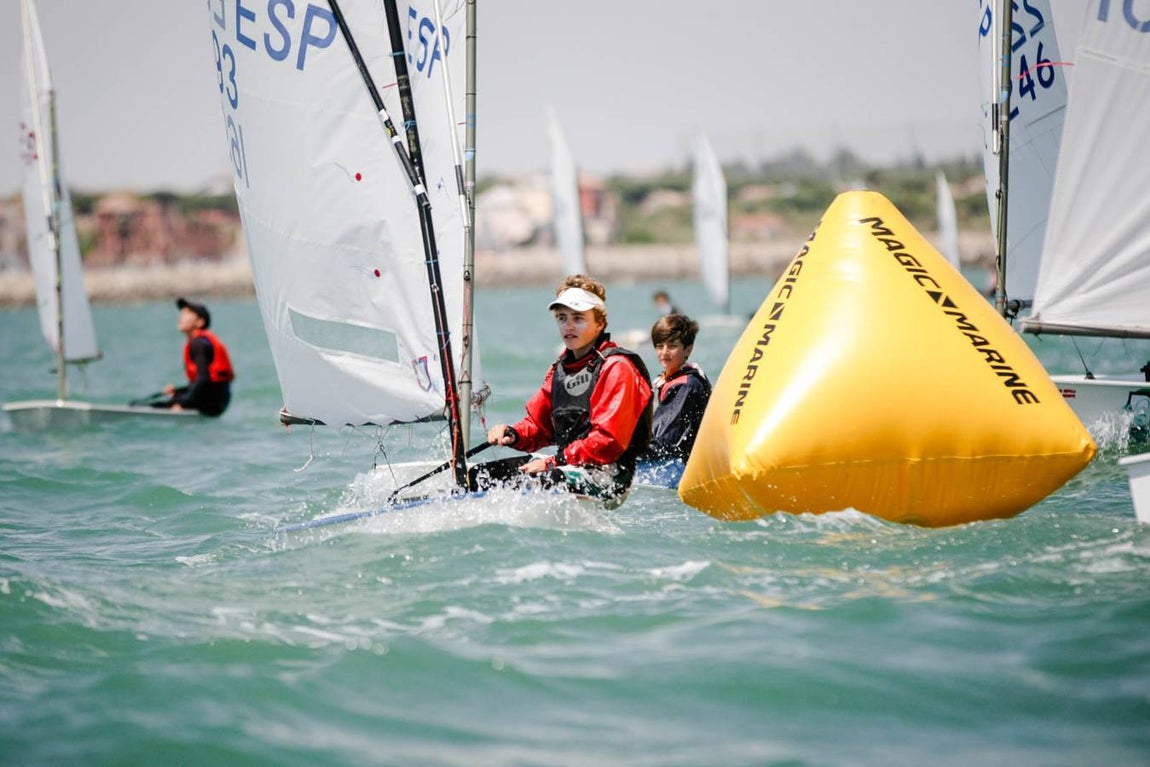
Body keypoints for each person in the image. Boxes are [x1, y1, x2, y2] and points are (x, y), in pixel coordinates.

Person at [471, 275, 653, 508]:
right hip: (566, 465)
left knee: (541, 480)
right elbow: (539, 428)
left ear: (600, 323)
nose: (568, 326)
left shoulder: (617, 368)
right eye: (562, 318)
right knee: (481, 475)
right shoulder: (559, 370)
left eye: (578, 318)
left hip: (610, 477)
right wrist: (513, 433)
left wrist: (553, 462)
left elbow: (609, 441)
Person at [640, 314, 711, 464]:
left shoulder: (685, 385)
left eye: (672, 346)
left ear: (688, 350)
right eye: (660, 346)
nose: (664, 352)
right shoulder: (672, 378)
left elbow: (666, 442)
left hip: (678, 467)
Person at [153, 297, 235, 416]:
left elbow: (203, 379)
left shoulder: (198, 343)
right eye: (182, 312)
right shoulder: (202, 341)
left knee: (156, 406)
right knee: (171, 399)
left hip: (211, 402)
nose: (181, 316)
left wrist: (183, 403)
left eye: (187, 313)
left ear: (200, 322)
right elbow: (204, 383)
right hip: (218, 400)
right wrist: (178, 392)